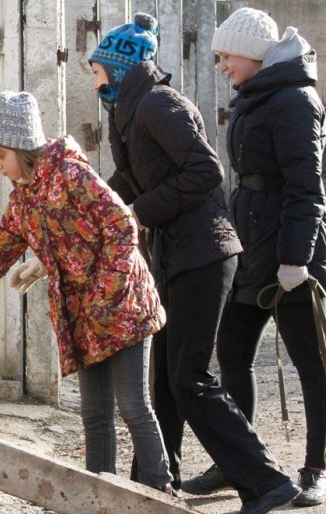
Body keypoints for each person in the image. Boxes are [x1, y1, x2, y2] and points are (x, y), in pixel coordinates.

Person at [0, 91, 175, 493]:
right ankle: (97, 494)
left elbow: (123, 227)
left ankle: (158, 491)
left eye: (0, 155)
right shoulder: (22, 200)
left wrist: (106, 294)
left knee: (133, 405)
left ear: (22, 147)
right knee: (94, 413)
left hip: (123, 306)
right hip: (80, 313)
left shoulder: (72, 174)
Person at [87, 12, 300, 513]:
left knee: (189, 377)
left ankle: (267, 481)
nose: (93, 78)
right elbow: (130, 175)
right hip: (177, 254)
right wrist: (96, 208)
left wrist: (139, 211)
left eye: (97, 69)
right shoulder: (129, 107)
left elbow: (206, 171)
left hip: (205, 254)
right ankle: (155, 483)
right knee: (163, 374)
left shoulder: (159, 103)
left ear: (119, 68)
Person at [181, 8, 326, 508]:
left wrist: (295, 260)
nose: (221, 65)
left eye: (226, 56)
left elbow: (307, 189)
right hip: (250, 249)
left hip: (292, 255)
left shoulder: (294, 101)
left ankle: (316, 469)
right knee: (232, 354)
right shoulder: (254, 97)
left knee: (313, 364)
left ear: (254, 52)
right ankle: (242, 465)